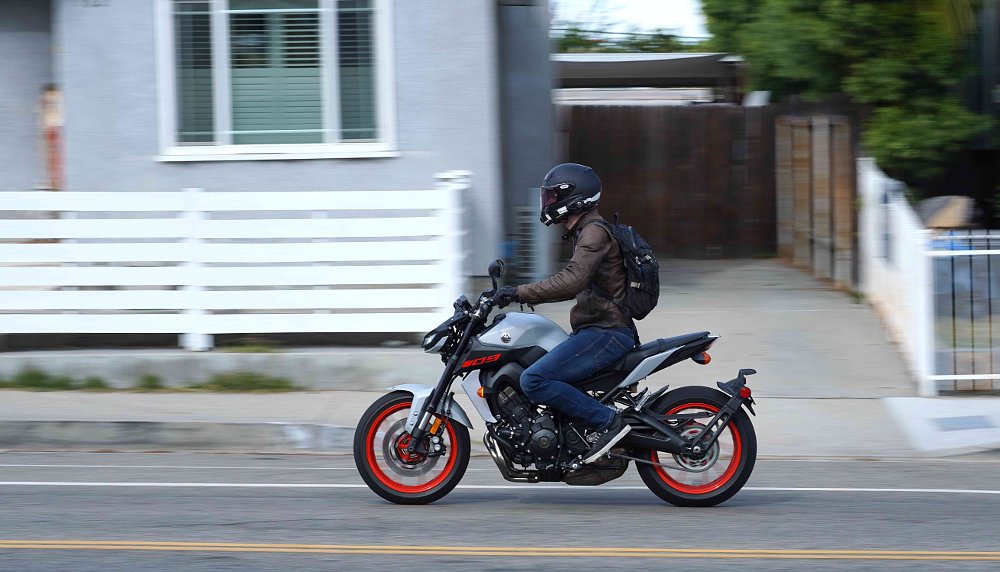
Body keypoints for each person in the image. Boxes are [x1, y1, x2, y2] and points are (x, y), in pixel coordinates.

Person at [492, 163, 635, 464]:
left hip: (606, 332)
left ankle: (610, 422)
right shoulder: (586, 232)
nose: (548, 203)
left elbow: (573, 280)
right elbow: (577, 284)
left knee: (534, 380)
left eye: (554, 196)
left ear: (575, 198)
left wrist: (518, 292)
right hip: (597, 330)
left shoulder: (594, 233)